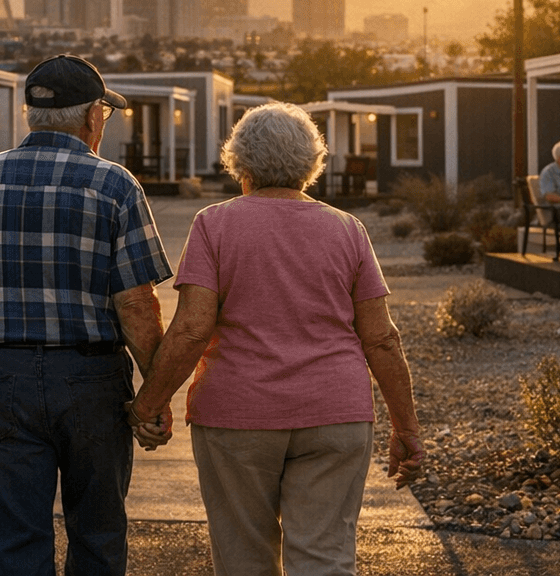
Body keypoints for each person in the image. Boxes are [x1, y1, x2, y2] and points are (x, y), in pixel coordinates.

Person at [126, 101, 424, 576]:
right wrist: (406, 429)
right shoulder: (348, 230)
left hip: (236, 417)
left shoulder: (214, 224)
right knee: (324, 559)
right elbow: (382, 340)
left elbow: (191, 329)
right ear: (311, 165)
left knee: (244, 559)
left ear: (239, 162)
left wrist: (149, 405)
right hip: (335, 415)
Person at [0, 54, 173, 576]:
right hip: (92, 380)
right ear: (92, 117)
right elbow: (136, 304)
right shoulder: (115, 186)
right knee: (98, 535)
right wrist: (153, 397)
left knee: (14, 543)